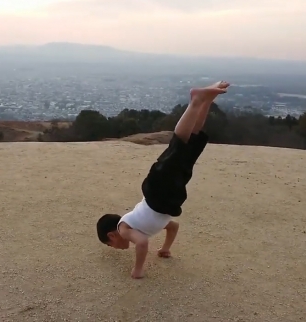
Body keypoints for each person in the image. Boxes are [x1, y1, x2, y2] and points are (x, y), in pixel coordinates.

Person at [96, 81, 230, 279]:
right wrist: (165, 248)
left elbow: (141, 243)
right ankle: (206, 101)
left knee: (180, 143)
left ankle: (196, 100)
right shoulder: (144, 226)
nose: (117, 248)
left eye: (112, 246)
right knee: (192, 142)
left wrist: (138, 269)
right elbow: (172, 226)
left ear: (111, 236)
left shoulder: (124, 229)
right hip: (167, 195)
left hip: (158, 190)